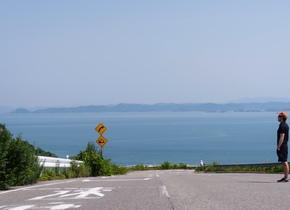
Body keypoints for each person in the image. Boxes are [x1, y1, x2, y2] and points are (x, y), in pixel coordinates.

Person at [277, 111, 289, 182]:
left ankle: (286, 177)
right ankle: (285, 176)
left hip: (283, 145)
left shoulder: (283, 126)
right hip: (284, 145)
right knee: (283, 161)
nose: (278, 117)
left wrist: (279, 146)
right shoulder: (283, 125)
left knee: (284, 161)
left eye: (279, 116)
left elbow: (282, 137)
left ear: (282, 118)